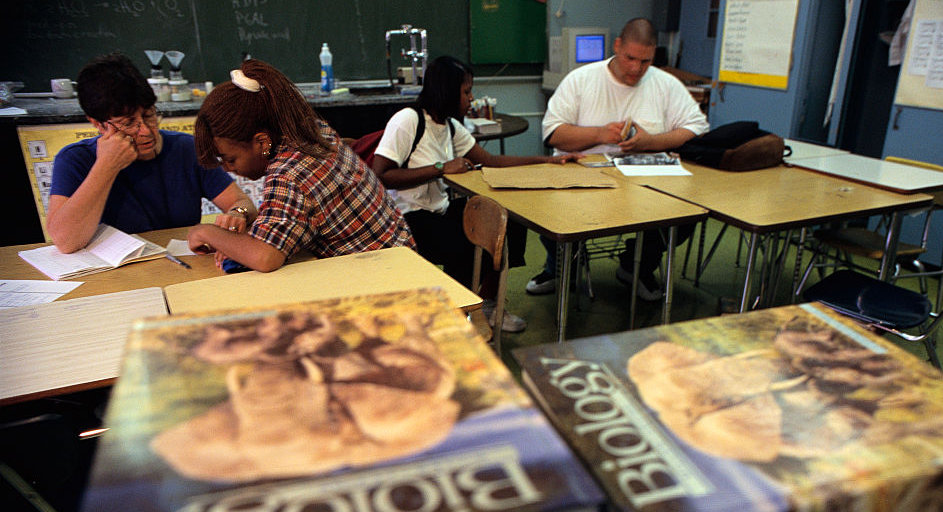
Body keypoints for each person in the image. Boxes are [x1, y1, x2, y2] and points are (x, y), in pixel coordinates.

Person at [372, 55, 579, 332]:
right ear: (447, 91)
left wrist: (546, 160)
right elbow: (381, 175)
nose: (471, 99)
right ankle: (456, 313)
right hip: (408, 220)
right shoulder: (408, 120)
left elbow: (490, 161)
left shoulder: (450, 126)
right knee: (467, 242)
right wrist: (440, 168)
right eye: (466, 91)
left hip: (440, 210)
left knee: (506, 223)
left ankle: (489, 304)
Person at [528, 17, 710, 301]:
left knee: (688, 212)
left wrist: (651, 142)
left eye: (646, 62)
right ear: (617, 46)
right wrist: (600, 134)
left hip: (646, 185)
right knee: (552, 207)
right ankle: (561, 267)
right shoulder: (581, 80)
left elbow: (697, 130)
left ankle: (636, 267)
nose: (636, 69)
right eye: (630, 58)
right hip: (582, 179)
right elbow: (553, 134)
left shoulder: (665, 84)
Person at [188, 60, 414, 272]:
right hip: (399, 260)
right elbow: (286, 217)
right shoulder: (308, 131)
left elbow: (266, 257)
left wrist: (205, 232)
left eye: (230, 159)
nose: (228, 169)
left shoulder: (289, 171)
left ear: (262, 142)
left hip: (381, 276)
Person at [47, 53, 257, 253]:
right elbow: (65, 242)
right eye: (128, 123)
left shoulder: (185, 149)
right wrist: (106, 167)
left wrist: (236, 214)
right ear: (98, 124)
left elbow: (242, 204)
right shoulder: (75, 159)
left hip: (181, 265)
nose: (146, 131)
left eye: (149, 115)